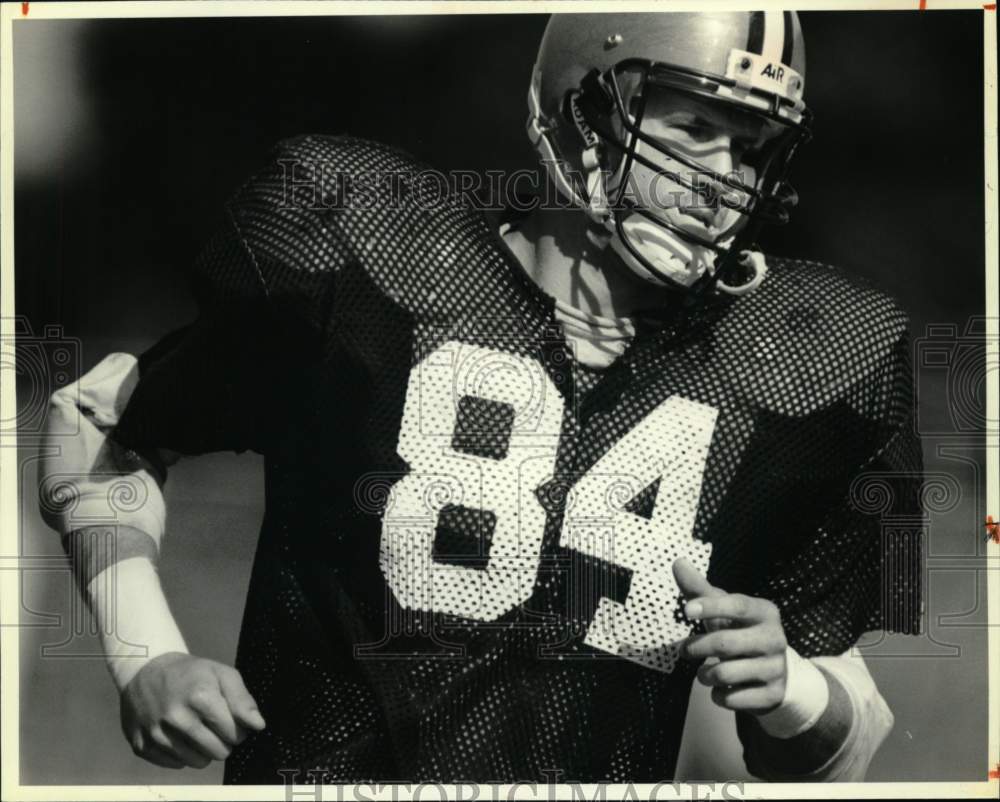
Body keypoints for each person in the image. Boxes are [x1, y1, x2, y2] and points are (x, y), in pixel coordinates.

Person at [39, 11, 924, 783]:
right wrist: (145, 654)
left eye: (753, 148)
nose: (723, 178)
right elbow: (100, 423)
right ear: (584, 112)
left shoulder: (794, 361)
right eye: (694, 127)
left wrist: (792, 691)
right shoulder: (376, 270)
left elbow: (839, 739)